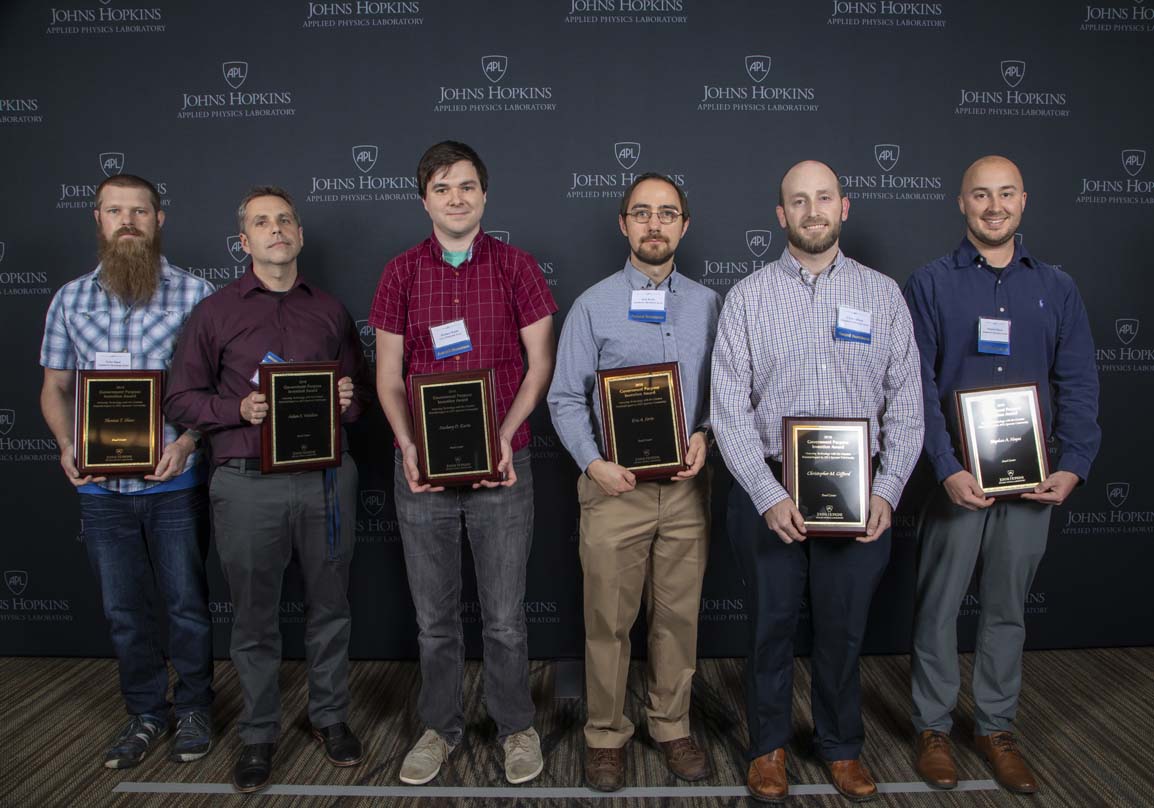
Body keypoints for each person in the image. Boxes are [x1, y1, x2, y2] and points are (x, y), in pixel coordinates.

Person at [711, 160, 924, 803]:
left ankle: (841, 747)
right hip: (770, 488)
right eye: (798, 201)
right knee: (769, 626)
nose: (811, 211)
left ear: (844, 207)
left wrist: (887, 491)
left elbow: (908, 407)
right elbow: (728, 409)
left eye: (823, 198)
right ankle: (768, 747)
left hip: (859, 491)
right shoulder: (747, 296)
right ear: (781, 215)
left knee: (843, 627)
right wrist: (767, 493)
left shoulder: (883, 295)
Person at [904, 156, 1100, 795]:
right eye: (981, 195)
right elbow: (916, 389)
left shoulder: (1058, 287)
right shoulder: (929, 283)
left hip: (1033, 481)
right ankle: (932, 726)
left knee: (1007, 607)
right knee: (938, 605)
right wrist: (945, 467)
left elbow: (1077, 384)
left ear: (1024, 200)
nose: (994, 206)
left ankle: (995, 726)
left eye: (1006, 194)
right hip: (956, 482)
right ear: (960, 203)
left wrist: (1073, 464)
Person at [165, 186, 372, 793]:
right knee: (254, 619)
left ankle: (329, 716)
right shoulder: (215, 312)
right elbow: (180, 398)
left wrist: (347, 399)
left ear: (300, 236)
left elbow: (360, 397)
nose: (275, 229)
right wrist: (239, 407)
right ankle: (258, 731)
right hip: (247, 482)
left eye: (285, 220)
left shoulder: (330, 312)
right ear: (244, 241)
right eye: (262, 222)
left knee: (330, 608)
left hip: (325, 480)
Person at [369, 141, 557, 786]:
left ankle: (515, 727)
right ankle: (439, 727)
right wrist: (409, 447)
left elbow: (541, 368)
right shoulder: (400, 273)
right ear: (424, 198)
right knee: (434, 619)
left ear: (484, 196)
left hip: (504, 464)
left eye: (468, 186)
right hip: (422, 471)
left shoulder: (517, 267)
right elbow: (389, 377)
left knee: (505, 617)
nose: (457, 198)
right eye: (443, 188)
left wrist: (505, 434)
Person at [548, 173, 721, 791]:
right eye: (642, 213)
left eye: (667, 214)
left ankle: (672, 726)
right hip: (612, 489)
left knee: (678, 619)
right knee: (607, 621)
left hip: (683, 491)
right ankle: (604, 734)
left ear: (684, 226)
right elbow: (566, 398)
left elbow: (722, 396)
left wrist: (706, 433)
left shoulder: (708, 304)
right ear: (624, 225)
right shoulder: (592, 305)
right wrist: (594, 463)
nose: (655, 224)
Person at [39, 173, 215, 768]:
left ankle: (193, 707)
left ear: (159, 220)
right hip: (102, 488)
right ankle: (145, 712)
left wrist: (191, 440)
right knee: (122, 609)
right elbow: (56, 388)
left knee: (187, 602)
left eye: (140, 211)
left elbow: (217, 388)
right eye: (116, 211)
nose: (129, 221)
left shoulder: (197, 294)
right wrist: (67, 444)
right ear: (99, 219)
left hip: (174, 481)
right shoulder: (69, 298)